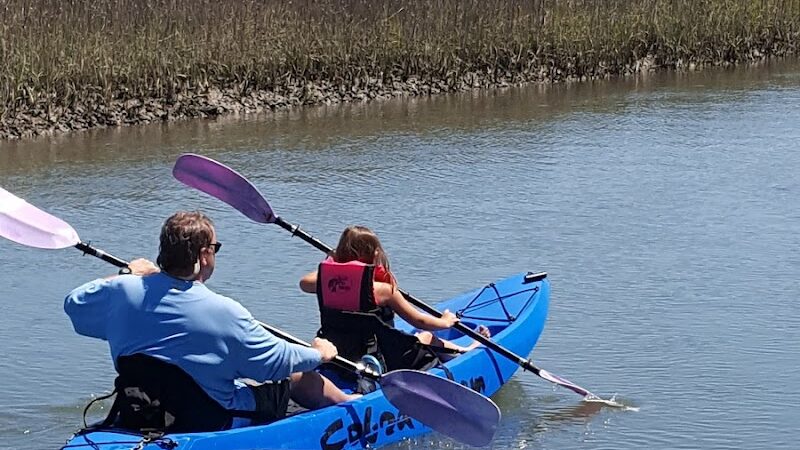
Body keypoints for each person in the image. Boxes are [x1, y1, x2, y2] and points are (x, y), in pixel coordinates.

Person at [64, 211, 358, 433]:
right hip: (210, 418)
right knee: (298, 377)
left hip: (141, 411)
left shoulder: (122, 293)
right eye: (215, 248)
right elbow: (278, 362)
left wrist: (128, 274)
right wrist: (319, 353)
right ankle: (353, 404)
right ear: (204, 256)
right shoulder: (224, 311)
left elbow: (74, 304)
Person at [299, 225, 490, 373]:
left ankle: (462, 351)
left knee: (418, 337)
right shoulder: (383, 290)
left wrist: (333, 263)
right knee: (426, 336)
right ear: (374, 254)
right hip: (378, 359)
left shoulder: (324, 283)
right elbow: (419, 320)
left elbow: (304, 282)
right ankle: (465, 352)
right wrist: (445, 322)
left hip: (339, 355)